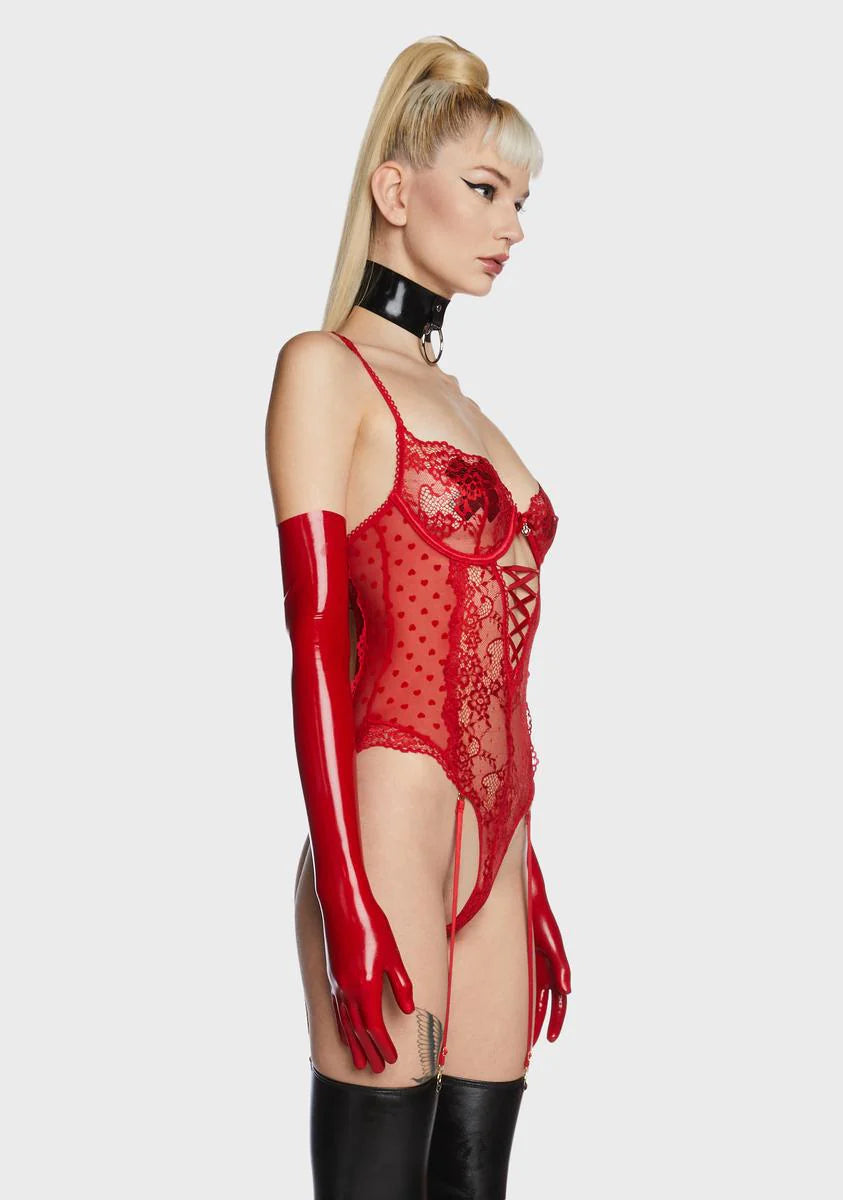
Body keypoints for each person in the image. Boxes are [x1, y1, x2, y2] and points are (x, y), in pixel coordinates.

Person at [265, 35, 571, 1199]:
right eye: (486, 190)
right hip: (389, 814)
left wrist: (528, 875)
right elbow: (312, 641)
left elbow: (497, 668)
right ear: (396, 191)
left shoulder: (461, 403)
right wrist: (343, 891)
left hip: (503, 834)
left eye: (522, 201)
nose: (512, 227)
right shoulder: (325, 370)